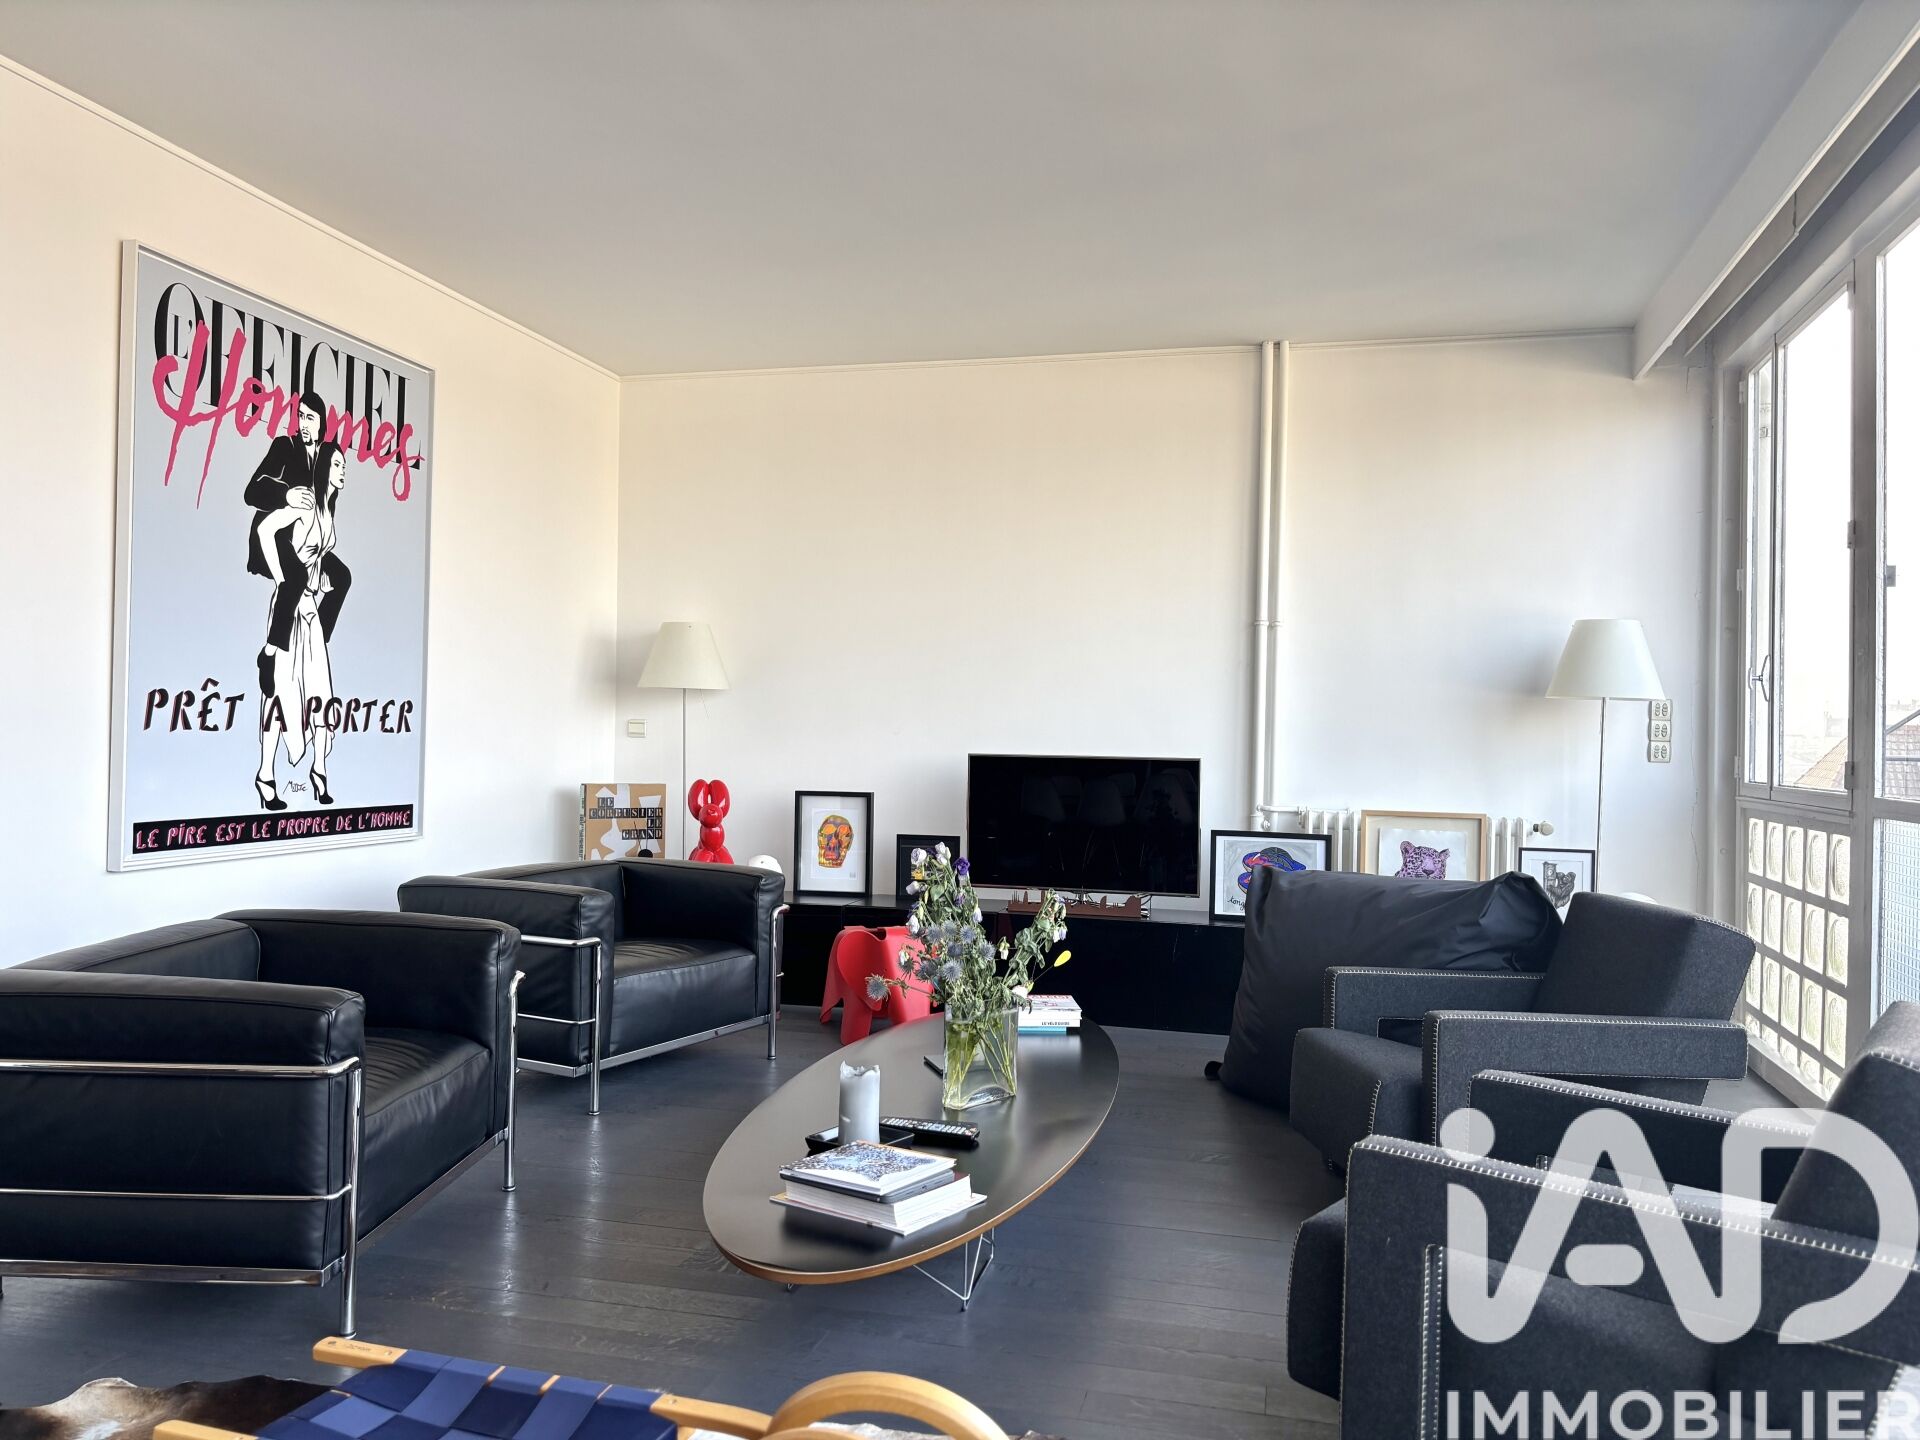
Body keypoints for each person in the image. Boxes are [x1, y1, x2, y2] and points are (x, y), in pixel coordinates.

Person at [253, 441, 346, 809]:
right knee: (281, 694)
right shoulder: (305, 506)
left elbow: (318, 556)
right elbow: (265, 530)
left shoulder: (328, 512)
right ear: (324, 469)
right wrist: (282, 579)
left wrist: (319, 575)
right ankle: (265, 775)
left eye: (344, 465)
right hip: (290, 611)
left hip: (310, 615)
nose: (342, 470)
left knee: (320, 693)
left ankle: (319, 770)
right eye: (337, 464)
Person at [245, 390, 352, 693]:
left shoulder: (328, 456)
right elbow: (251, 492)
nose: (304, 423)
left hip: (311, 539)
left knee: (342, 577)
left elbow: (326, 504)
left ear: (322, 423)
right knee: (294, 578)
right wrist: (285, 494)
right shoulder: (286, 446)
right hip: (280, 535)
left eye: (310, 418)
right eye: (300, 417)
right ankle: (268, 656)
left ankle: (318, 636)